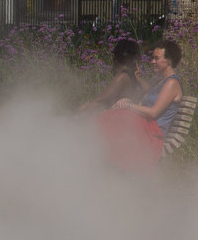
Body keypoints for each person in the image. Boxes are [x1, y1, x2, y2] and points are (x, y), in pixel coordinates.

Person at [97, 39, 183, 173]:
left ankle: (107, 167)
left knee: (113, 122)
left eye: (156, 58)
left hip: (154, 132)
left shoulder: (171, 83)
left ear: (169, 61)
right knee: (111, 117)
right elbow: (144, 100)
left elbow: (154, 112)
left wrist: (129, 105)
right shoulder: (161, 82)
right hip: (146, 126)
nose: (152, 61)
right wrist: (123, 105)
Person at [77, 39, 142, 114]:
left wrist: (81, 110)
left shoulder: (122, 77)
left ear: (116, 58)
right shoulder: (133, 76)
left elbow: (101, 100)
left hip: (119, 119)